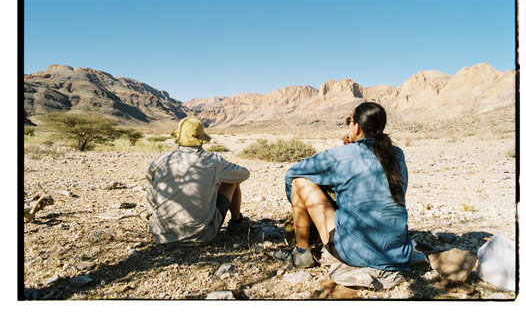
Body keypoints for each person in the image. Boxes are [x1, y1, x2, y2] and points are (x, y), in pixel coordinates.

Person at [274, 102, 412, 272]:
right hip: (398, 253)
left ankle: (301, 252)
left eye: (349, 121)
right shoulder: (397, 154)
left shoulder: (339, 156)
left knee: (299, 181)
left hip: (354, 252)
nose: (348, 126)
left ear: (357, 128)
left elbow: (292, 173)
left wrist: (298, 207)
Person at [146, 116, 250, 245]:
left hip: (161, 234)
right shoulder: (214, 160)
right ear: (201, 138)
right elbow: (244, 174)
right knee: (232, 181)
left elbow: (152, 198)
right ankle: (236, 222)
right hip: (201, 235)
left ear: (178, 137)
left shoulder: (160, 161)